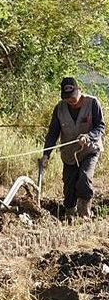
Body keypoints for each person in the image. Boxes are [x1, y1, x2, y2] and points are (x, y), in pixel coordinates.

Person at [41, 77, 105, 221]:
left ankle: (85, 214)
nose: (71, 101)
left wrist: (89, 136)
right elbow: (53, 133)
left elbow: (100, 126)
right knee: (69, 187)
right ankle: (70, 215)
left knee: (84, 178)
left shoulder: (92, 103)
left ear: (79, 91)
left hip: (89, 150)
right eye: (67, 98)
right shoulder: (59, 108)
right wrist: (46, 154)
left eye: (73, 97)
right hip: (69, 153)